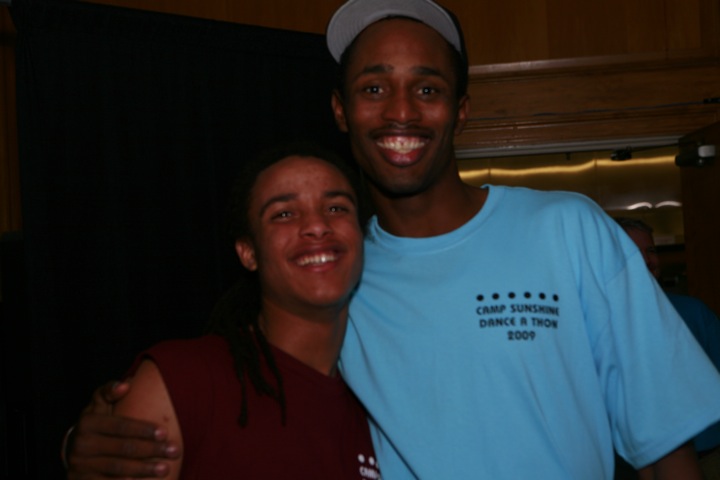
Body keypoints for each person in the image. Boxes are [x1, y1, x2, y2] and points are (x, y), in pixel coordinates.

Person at [66, 1, 720, 478]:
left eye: (427, 88)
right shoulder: (335, 275)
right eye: (374, 87)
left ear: (461, 110)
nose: (401, 111)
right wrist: (91, 439)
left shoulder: (568, 228)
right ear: (341, 110)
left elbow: (665, 444)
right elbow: (250, 402)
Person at [64, 141, 380, 479]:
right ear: (248, 253)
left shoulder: (377, 410)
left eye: (336, 208)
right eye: (284, 214)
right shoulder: (183, 381)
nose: (317, 226)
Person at [615, 216, 720, 456]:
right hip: (634, 458)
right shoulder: (598, 322)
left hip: (706, 450)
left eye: (651, 251)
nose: (647, 260)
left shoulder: (693, 312)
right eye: (634, 252)